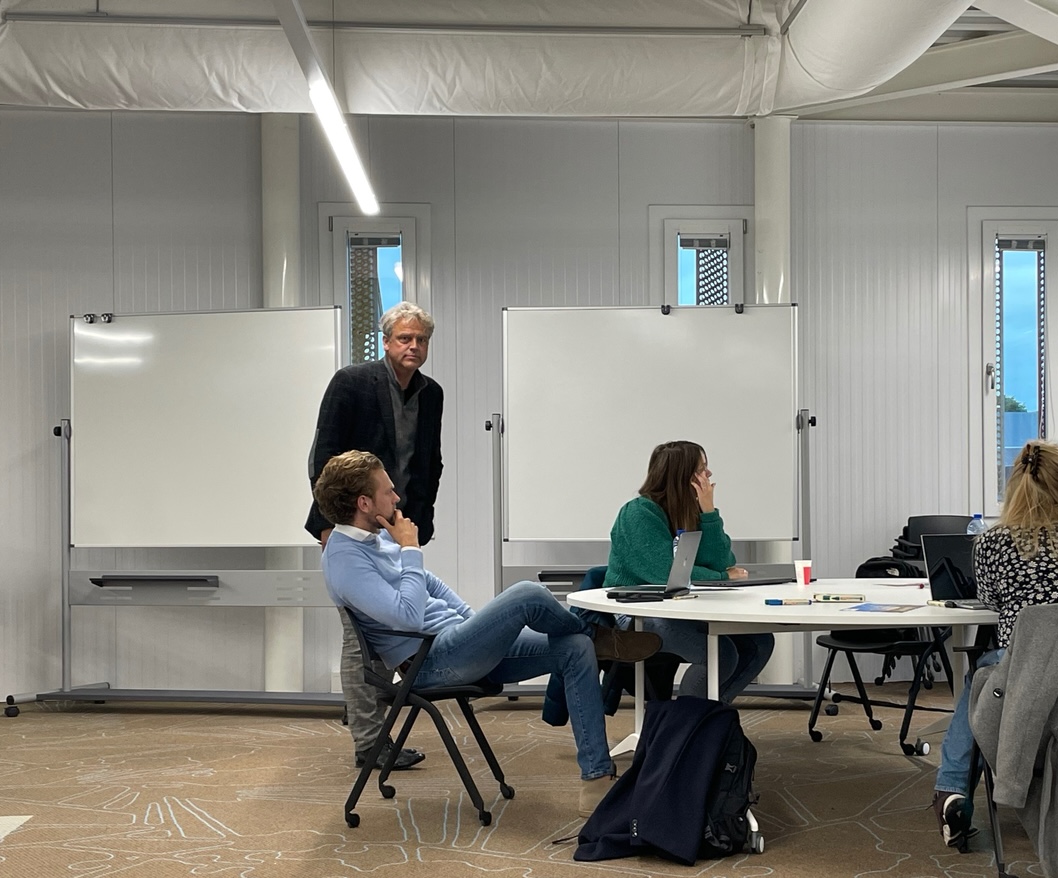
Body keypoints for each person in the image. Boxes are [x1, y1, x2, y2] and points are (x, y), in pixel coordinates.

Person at [314, 450, 661, 814]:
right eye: (388, 491)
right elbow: (409, 616)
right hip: (430, 664)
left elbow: (429, 583)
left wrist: (470, 623)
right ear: (364, 502)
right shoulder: (345, 560)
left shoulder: (376, 536)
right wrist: (411, 548)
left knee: (574, 647)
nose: (397, 497)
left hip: (458, 647)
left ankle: (596, 779)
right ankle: (601, 637)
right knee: (527, 593)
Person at [933, 439, 1058, 847]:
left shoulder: (994, 542)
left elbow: (990, 600)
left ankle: (951, 790)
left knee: (982, 676)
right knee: (993, 669)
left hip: (1028, 675)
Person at [306, 302, 444, 771]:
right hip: (350, 522)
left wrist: (417, 527)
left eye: (421, 340)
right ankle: (368, 741)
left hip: (398, 523)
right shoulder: (352, 382)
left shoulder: (432, 392)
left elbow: (431, 461)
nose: (413, 347)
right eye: (404, 338)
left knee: (390, 629)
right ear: (386, 342)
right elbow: (324, 453)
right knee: (361, 638)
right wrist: (332, 523)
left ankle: (374, 729)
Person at [604, 441, 775, 703]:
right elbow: (665, 573)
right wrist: (721, 578)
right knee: (721, 653)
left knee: (759, 642)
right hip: (637, 611)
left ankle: (705, 719)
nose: (709, 475)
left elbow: (720, 561)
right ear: (681, 475)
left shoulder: (688, 511)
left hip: (680, 605)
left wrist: (708, 512)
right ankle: (683, 727)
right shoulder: (637, 514)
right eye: (702, 469)